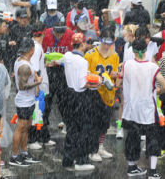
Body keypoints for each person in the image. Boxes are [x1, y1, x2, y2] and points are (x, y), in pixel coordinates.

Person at [117, 38, 165, 179]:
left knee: (132, 138)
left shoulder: (125, 65)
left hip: (131, 110)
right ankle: (152, 172)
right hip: (147, 110)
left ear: (133, 51)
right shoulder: (153, 67)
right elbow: (163, 84)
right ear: (146, 51)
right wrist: (158, 91)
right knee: (153, 139)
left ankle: (132, 168)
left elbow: (118, 82)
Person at [62, 33, 100, 171]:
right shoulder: (82, 62)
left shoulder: (67, 56)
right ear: (83, 44)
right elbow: (83, 83)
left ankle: (67, 159)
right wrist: (97, 82)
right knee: (84, 130)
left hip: (69, 95)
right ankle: (82, 161)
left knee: (72, 129)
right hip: (80, 98)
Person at [84, 28, 119, 162]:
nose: (106, 46)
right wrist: (97, 79)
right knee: (93, 123)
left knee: (104, 124)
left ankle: (100, 147)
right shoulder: (90, 54)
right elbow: (85, 74)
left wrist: (115, 76)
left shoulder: (114, 55)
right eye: (104, 42)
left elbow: (115, 74)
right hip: (94, 93)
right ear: (100, 39)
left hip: (108, 94)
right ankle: (92, 150)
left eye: (109, 43)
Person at [9, 38, 42, 167]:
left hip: (29, 100)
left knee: (27, 127)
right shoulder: (24, 66)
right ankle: (14, 156)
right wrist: (38, 82)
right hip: (23, 101)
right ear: (32, 49)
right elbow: (22, 86)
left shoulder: (23, 60)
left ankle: (24, 152)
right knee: (20, 128)